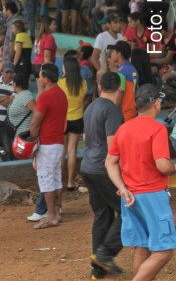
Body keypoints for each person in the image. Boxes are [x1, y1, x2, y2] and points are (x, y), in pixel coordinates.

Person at [106, 84, 176, 280]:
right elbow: (163, 165)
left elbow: (110, 161)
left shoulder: (124, 128)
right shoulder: (158, 129)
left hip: (130, 197)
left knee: (142, 246)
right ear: (156, 104)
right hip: (153, 196)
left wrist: (122, 187)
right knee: (164, 251)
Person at [81, 72, 125, 279]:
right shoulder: (113, 110)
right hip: (103, 168)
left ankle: (97, 268)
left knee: (102, 214)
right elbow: (112, 144)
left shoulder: (91, 106)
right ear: (119, 89)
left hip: (88, 167)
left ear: (99, 87)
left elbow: (85, 137)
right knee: (128, 211)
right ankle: (106, 253)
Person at [29, 63, 68, 229]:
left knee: (46, 179)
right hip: (58, 142)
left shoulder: (45, 97)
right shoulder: (61, 94)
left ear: (45, 78)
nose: (39, 78)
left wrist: (30, 139)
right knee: (56, 177)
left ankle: (51, 216)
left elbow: (35, 123)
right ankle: (56, 213)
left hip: (47, 143)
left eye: (40, 76)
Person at [58, 56, 87, 191]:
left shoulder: (60, 83)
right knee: (72, 152)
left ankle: (58, 181)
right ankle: (70, 182)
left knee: (62, 152)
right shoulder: (83, 84)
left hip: (62, 120)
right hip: (77, 120)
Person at [91, 12, 124, 80]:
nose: (118, 25)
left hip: (117, 73)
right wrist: (102, 72)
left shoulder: (121, 37)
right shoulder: (102, 37)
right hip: (105, 75)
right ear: (108, 24)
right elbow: (94, 58)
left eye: (119, 22)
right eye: (115, 22)